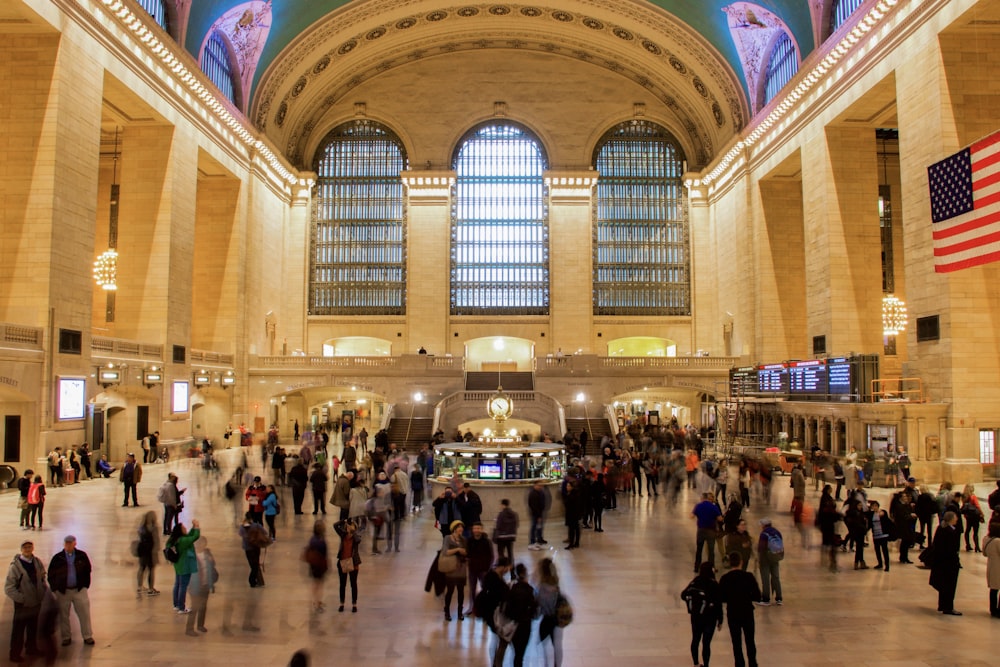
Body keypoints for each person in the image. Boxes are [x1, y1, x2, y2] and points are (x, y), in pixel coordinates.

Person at [47, 535, 94, 647]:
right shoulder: (58, 558)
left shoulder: (81, 555)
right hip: (63, 592)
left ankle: (87, 636)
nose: (68, 545)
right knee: (63, 615)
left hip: (79, 590)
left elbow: (88, 570)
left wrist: (85, 586)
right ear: (64, 544)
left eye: (70, 543)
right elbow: (51, 574)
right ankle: (66, 637)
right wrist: (55, 589)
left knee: (84, 614)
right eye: (66, 543)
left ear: (75, 544)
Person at [5, 540, 47, 663]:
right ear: (21, 549)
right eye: (25, 547)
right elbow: (9, 588)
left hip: (35, 602)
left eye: (30, 547)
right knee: (18, 630)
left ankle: (31, 648)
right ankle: (14, 654)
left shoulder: (37, 562)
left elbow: (42, 576)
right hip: (22, 605)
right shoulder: (15, 567)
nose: (28, 549)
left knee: (32, 628)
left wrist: (42, 590)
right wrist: (22, 599)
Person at [719, 551, 761, 667]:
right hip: (747, 612)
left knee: (736, 642)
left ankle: (739, 663)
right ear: (741, 563)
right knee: (750, 640)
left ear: (730, 563)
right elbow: (757, 596)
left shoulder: (725, 578)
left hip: (733, 613)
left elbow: (721, 598)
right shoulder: (749, 577)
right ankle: (752, 662)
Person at [493, 562, 536, 667]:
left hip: (509, 624)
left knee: (502, 648)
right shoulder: (530, 590)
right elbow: (534, 610)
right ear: (525, 574)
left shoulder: (510, 586)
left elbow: (504, 605)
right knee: (519, 656)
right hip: (523, 626)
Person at [681, 562, 724, 667]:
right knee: (706, 643)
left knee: (695, 639)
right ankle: (706, 664)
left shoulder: (696, 581)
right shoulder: (714, 584)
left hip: (696, 616)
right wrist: (720, 620)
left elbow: (683, 594)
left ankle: (695, 663)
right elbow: (719, 603)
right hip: (710, 617)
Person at [535, 557, 568, 667]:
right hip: (557, 621)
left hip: (546, 621)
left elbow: (538, 611)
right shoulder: (557, 584)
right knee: (558, 646)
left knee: (546, 648)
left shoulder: (541, 589)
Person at [929, 510, 963, 615]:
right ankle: (948, 607)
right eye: (956, 517)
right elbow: (952, 549)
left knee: (944, 586)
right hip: (949, 564)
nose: (957, 519)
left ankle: (942, 605)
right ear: (951, 519)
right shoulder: (950, 532)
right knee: (949, 586)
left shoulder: (941, 528)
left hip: (941, 562)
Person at [167, 520, 201, 613]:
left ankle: (176, 605)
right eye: (184, 528)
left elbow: (189, 536)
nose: (186, 529)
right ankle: (181, 607)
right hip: (185, 566)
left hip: (178, 565)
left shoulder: (176, 540)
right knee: (183, 586)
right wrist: (197, 527)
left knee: (177, 584)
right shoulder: (183, 541)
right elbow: (194, 537)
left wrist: (193, 528)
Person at [185, 541, 216, 635]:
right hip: (195, 585)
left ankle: (200, 625)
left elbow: (212, 567)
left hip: (205, 584)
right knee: (194, 607)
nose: (199, 545)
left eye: (201, 543)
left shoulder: (207, 554)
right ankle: (189, 629)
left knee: (203, 607)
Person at [464, 521, 494, 616]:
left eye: (478, 528)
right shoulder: (469, 541)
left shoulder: (486, 541)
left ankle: (485, 608)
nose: (476, 530)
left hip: (483, 570)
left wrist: (487, 568)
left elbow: (491, 556)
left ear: (482, 529)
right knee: (472, 590)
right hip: (472, 569)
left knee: (485, 589)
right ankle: (472, 608)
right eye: (475, 528)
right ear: (472, 530)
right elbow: (467, 554)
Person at [442, 520, 468, 621]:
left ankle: (460, 612)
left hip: (461, 567)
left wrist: (465, 552)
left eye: (462, 527)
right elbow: (445, 552)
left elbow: (466, 552)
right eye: (459, 527)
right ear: (454, 528)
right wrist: (457, 550)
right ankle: (447, 611)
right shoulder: (448, 538)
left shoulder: (464, 540)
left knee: (461, 591)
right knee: (450, 590)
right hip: (451, 568)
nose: (461, 529)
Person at [334, 518, 362, 612]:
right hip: (343, 562)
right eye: (348, 527)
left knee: (353, 584)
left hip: (353, 563)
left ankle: (354, 604)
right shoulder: (343, 535)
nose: (349, 528)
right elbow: (335, 525)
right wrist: (343, 521)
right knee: (343, 584)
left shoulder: (356, 537)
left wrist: (352, 532)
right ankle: (342, 603)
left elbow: (358, 539)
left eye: (352, 526)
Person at [691, 492, 723, 572]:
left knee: (699, 549)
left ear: (702, 498)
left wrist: (700, 516)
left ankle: (696, 567)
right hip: (711, 531)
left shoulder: (698, 506)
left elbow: (691, 516)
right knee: (711, 550)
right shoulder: (713, 507)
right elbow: (720, 519)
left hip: (701, 530)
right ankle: (711, 567)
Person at [303, 521, 329, 613]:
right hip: (319, 565)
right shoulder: (321, 542)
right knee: (318, 585)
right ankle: (317, 603)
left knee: (316, 584)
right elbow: (324, 553)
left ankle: (316, 601)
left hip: (313, 565)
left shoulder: (312, 539)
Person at [756, 518, 783, 605]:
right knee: (776, 577)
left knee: (765, 579)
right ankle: (779, 598)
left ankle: (766, 599)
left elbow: (761, 548)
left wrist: (759, 559)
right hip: (775, 557)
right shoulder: (777, 532)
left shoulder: (764, 534)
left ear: (764, 525)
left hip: (765, 559)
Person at [239, 513, 268, 587]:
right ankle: (253, 580)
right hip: (256, 547)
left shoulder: (242, 527)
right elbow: (265, 532)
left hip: (247, 548)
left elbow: (240, 534)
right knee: (255, 564)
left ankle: (253, 581)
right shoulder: (256, 526)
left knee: (252, 565)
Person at [136, 511, 160, 596]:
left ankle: (139, 586)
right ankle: (150, 589)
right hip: (151, 552)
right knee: (151, 570)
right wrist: (157, 550)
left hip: (143, 551)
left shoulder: (141, 527)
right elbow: (156, 540)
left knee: (141, 568)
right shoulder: (154, 528)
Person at [868, 500, 896, 571]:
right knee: (877, 550)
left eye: (875, 506)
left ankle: (887, 565)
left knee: (885, 550)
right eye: (873, 506)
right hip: (876, 535)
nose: (874, 507)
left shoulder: (883, 512)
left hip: (883, 535)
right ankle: (880, 563)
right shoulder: (871, 514)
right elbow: (869, 524)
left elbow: (887, 520)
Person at [983, 522, 1000, 618]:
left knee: (993, 589)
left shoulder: (986, 539)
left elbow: (984, 553)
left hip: (991, 566)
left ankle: (993, 609)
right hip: (998, 567)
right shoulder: (998, 541)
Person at [528, 480, 548, 550]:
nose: (540, 487)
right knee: (534, 526)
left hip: (540, 512)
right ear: (535, 485)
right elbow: (534, 506)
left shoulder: (540, 492)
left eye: (541, 485)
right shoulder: (533, 494)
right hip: (536, 513)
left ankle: (539, 538)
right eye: (539, 485)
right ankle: (532, 540)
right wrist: (538, 515)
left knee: (539, 526)